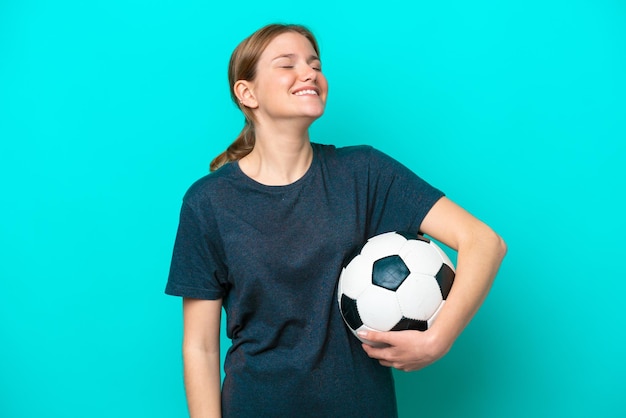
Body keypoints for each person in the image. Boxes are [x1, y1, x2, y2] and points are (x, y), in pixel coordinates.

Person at [165, 23, 507, 418]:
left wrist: (438, 339)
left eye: (315, 64)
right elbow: (200, 347)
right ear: (248, 93)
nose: (309, 73)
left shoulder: (363, 172)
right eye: (287, 64)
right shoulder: (208, 202)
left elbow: (485, 242)